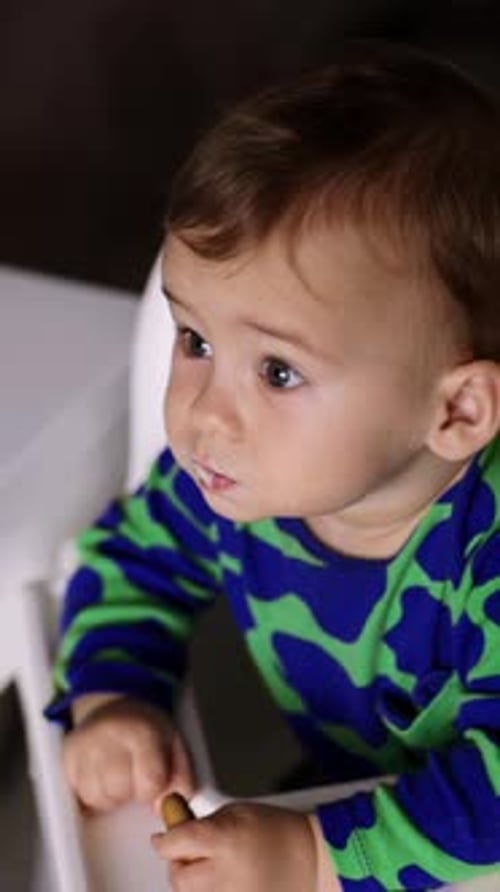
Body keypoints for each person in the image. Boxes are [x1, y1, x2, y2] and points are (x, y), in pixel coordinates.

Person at [45, 40, 500, 891]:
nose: (206, 414)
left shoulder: (488, 555)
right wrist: (115, 697)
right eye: (195, 340)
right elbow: (128, 562)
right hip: (358, 794)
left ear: (457, 413)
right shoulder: (226, 476)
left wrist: (317, 854)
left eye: (279, 372)